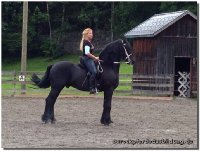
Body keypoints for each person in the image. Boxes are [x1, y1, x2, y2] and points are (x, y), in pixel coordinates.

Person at [80, 28, 99, 94]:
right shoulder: (87, 42)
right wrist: (95, 58)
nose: (92, 35)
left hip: (88, 58)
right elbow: (87, 53)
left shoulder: (87, 42)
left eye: (92, 33)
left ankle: (97, 85)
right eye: (90, 33)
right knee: (94, 72)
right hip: (86, 59)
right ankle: (91, 88)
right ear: (86, 34)